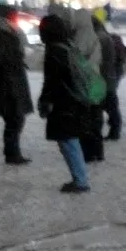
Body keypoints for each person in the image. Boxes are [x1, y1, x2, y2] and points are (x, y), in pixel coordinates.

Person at [37, 15, 92, 194]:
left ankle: (80, 181)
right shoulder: (68, 46)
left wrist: (45, 101)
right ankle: (80, 178)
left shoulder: (54, 51)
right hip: (75, 99)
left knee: (68, 141)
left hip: (64, 102)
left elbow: (52, 80)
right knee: (70, 140)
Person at [0, 5, 34, 164]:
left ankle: (12, 152)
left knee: (15, 118)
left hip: (12, 80)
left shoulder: (9, 32)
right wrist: (14, 65)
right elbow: (0, 60)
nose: (16, 17)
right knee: (14, 118)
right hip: (9, 82)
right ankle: (12, 153)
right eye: (13, 14)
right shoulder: (2, 34)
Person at [70, 9, 105, 161]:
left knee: (84, 119)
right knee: (96, 117)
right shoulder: (94, 36)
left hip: (83, 83)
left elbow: (76, 61)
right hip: (95, 81)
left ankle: (88, 152)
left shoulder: (78, 38)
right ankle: (98, 151)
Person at [92, 17, 126, 140]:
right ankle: (114, 131)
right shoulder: (105, 36)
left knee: (100, 107)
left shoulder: (99, 38)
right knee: (111, 106)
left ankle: (108, 132)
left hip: (102, 78)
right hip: (110, 77)